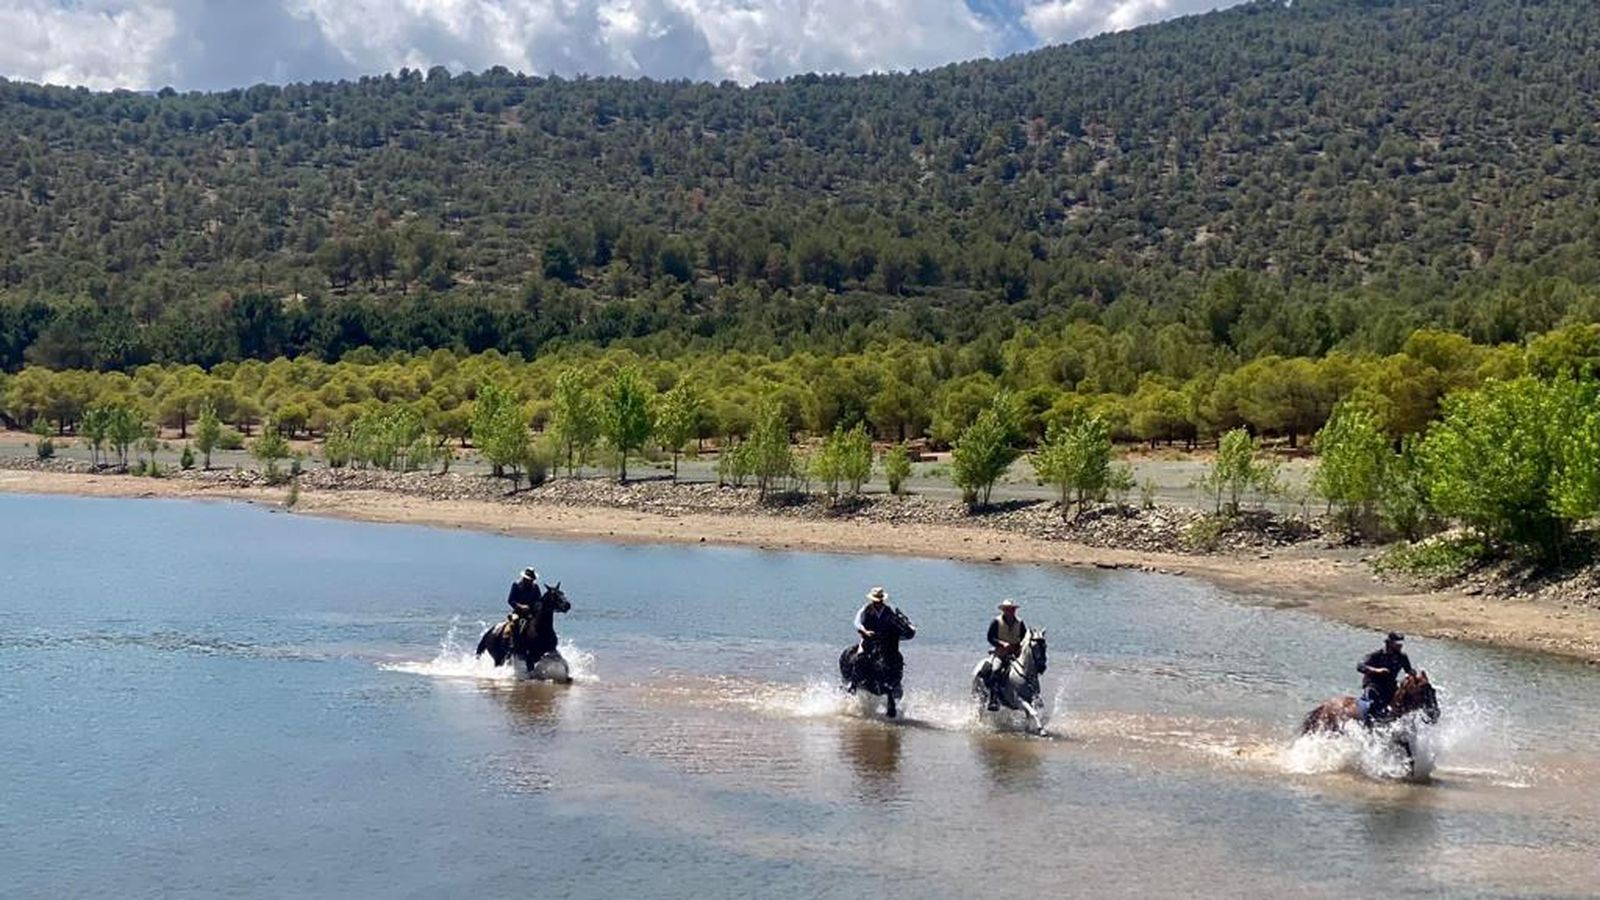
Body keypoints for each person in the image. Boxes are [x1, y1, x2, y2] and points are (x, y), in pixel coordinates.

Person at [850, 586, 905, 693]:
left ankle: (896, 684)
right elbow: (857, 622)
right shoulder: (865, 609)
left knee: (898, 659)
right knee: (860, 657)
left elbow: (900, 624)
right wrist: (865, 631)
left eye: (879, 601)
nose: (878, 603)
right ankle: (853, 684)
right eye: (876, 601)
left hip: (885, 641)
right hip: (868, 640)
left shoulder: (890, 610)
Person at [1357, 632, 1416, 723]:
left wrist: (1412, 673)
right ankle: (1367, 725)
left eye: (1401, 644)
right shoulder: (1376, 655)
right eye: (1397, 644)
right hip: (1374, 685)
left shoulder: (1402, 657)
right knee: (1372, 706)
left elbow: (1408, 670)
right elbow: (1360, 666)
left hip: (1391, 685)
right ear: (1390, 643)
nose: (1400, 646)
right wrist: (1377, 670)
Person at [983, 599, 1028, 711]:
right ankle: (993, 700)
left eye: (1012, 609)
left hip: (1016, 655)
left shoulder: (1020, 623)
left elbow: (1025, 638)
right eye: (1008, 609)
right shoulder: (996, 622)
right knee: (995, 670)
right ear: (1003, 610)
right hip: (1000, 654)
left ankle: (1033, 696)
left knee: (1030, 672)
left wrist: (1019, 647)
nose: (1010, 611)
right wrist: (1002, 644)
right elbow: (990, 638)